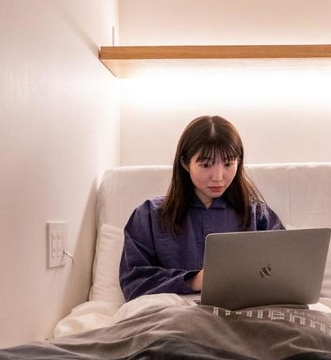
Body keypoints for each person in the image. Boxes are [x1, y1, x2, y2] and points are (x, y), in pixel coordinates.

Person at [119, 115, 284, 301]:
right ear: (185, 163)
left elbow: (286, 270)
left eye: (228, 163)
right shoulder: (149, 215)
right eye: (206, 165)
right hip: (173, 313)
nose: (218, 177)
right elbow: (134, 282)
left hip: (244, 312)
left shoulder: (256, 214)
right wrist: (193, 281)